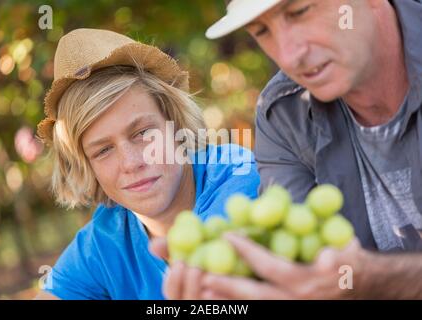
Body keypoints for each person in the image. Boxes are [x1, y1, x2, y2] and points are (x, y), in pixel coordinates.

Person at [152, 0, 422, 299]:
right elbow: (299, 259)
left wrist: (374, 278)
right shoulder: (282, 113)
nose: (289, 56)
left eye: (300, 12)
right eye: (262, 30)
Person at [34, 28, 260, 300]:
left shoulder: (236, 177)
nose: (131, 163)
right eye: (104, 150)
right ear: (87, 166)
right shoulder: (105, 239)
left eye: (143, 133)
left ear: (174, 123)